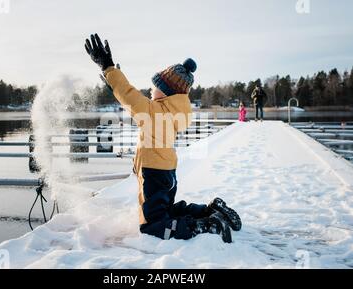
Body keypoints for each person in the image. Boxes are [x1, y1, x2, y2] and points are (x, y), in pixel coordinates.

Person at [85, 33, 241, 243]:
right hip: (167, 172)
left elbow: (128, 94)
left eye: (155, 87)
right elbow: (126, 95)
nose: (151, 91)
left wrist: (108, 68)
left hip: (153, 174)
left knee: (152, 225)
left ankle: (205, 225)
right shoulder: (176, 112)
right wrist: (114, 82)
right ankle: (210, 210)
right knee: (165, 211)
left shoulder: (152, 111)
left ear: (166, 92)